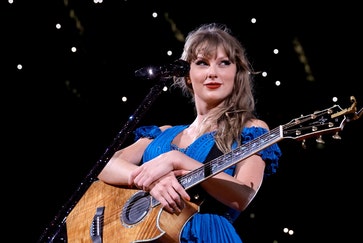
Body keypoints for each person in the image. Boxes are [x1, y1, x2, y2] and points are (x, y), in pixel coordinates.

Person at [98, 22, 282, 243]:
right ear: (187, 75)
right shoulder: (163, 132)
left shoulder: (252, 129)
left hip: (206, 235)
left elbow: (242, 196)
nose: (213, 72)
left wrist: (178, 160)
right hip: (145, 235)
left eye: (224, 63)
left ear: (236, 73)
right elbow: (105, 165)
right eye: (202, 63)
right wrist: (152, 182)